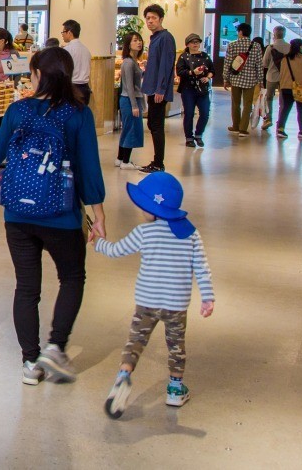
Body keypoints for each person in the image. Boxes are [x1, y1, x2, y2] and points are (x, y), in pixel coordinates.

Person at [0, 47, 107, 386]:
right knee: (72, 277)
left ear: (41, 75)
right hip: (62, 215)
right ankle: (55, 346)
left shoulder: (18, 110)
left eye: (33, 71)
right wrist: (97, 213)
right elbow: (88, 167)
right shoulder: (78, 114)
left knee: (26, 287)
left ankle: (29, 362)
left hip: (17, 214)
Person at [92, 172, 215, 418]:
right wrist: (207, 297)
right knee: (176, 347)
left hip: (146, 301)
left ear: (154, 209)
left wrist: (98, 243)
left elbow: (116, 250)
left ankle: (124, 375)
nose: (141, 210)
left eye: (144, 205)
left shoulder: (144, 232)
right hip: (176, 304)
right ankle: (175, 390)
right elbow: (202, 267)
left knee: (135, 342)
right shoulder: (191, 234)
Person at [140, 5, 175, 173]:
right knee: (152, 124)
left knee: (156, 125)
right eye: (148, 18)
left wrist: (161, 89)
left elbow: (166, 65)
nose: (150, 21)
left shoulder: (165, 37)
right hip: (152, 87)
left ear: (161, 19)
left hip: (158, 91)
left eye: (153, 18)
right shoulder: (155, 38)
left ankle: (158, 163)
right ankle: (156, 161)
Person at [223, 23, 264, 136]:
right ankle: (243, 129)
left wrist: (225, 79)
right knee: (248, 104)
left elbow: (227, 63)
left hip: (235, 78)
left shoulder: (232, 45)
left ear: (240, 32)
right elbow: (259, 64)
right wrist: (260, 80)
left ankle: (235, 126)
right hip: (250, 80)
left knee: (235, 103)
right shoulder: (256, 46)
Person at [176, 33, 214, 148]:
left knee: (205, 113)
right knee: (189, 113)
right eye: (193, 42)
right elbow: (180, 72)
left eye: (197, 42)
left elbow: (212, 70)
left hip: (202, 89)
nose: (195, 44)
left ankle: (199, 134)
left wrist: (207, 77)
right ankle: (189, 137)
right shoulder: (183, 57)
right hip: (188, 89)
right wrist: (192, 72)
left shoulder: (205, 56)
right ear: (188, 44)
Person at [276, 38, 302, 139]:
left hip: (286, 87)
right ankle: (301, 131)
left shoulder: (285, 58)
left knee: (285, 108)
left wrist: (281, 86)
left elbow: (282, 74)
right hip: (300, 87)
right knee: (301, 109)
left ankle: (280, 129)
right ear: (301, 47)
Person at [116, 32, 144, 170]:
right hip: (129, 99)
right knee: (131, 130)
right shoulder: (128, 63)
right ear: (128, 44)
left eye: (140, 40)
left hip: (131, 99)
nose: (139, 43)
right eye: (135, 40)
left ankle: (120, 158)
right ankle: (125, 161)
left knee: (127, 129)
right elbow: (129, 86)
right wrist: (134, 105)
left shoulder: (133, 62)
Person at [260, 27, 290, 131]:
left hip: (271, 76)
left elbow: (264, 63)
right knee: (283, 101)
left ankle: (268, 119)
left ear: (274, 35)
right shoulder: (289, 47)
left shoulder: (270, 47)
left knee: (269, 98)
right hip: (285, 77)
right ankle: (281, 123)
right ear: (284, 34)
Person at [60, 19, 93, 105]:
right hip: (85, 89)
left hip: (72, 89)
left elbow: (63, 71)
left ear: (69, 32)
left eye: (63, 32)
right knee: (82, 113)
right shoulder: (86, 50)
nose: (62, 34)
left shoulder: (67, 50)